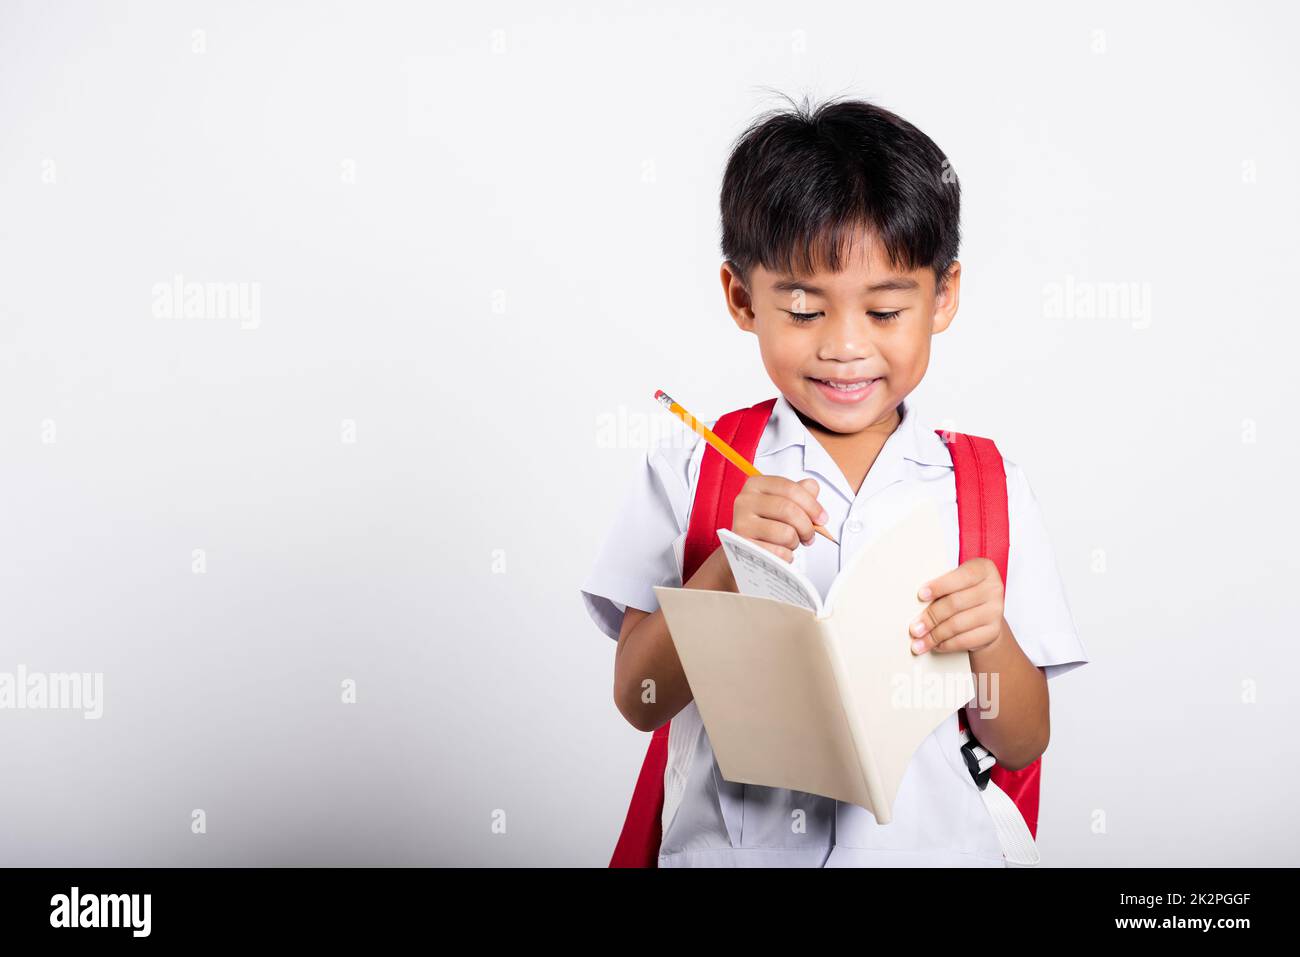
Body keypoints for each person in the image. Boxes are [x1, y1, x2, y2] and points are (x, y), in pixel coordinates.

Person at [580, 94, 1089, 866]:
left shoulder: (986, 488)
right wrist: (723, 569)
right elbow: (639, 702)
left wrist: (989, 641)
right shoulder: (693, 471)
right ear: (742, 298)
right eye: (804, 309)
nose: (846, 346)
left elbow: (1021, 742)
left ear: (942, 295)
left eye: (885, 311)